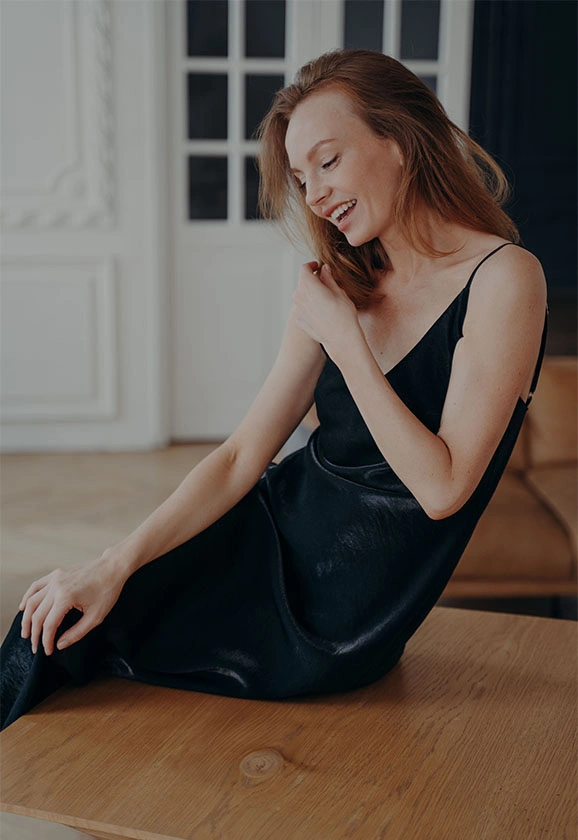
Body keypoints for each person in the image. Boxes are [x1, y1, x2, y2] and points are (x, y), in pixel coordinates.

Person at [1, 49, 548, 731]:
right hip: (269, 531)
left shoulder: (504, 279)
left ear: (401, 143)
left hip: (337, 612)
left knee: (89, 651)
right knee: (53, 623)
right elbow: (240, 456)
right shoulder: (337, 282)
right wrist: (111, 564)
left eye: (328, 161)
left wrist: (346, 342)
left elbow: (443, 490)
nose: (313, 195)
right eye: (299, 177)